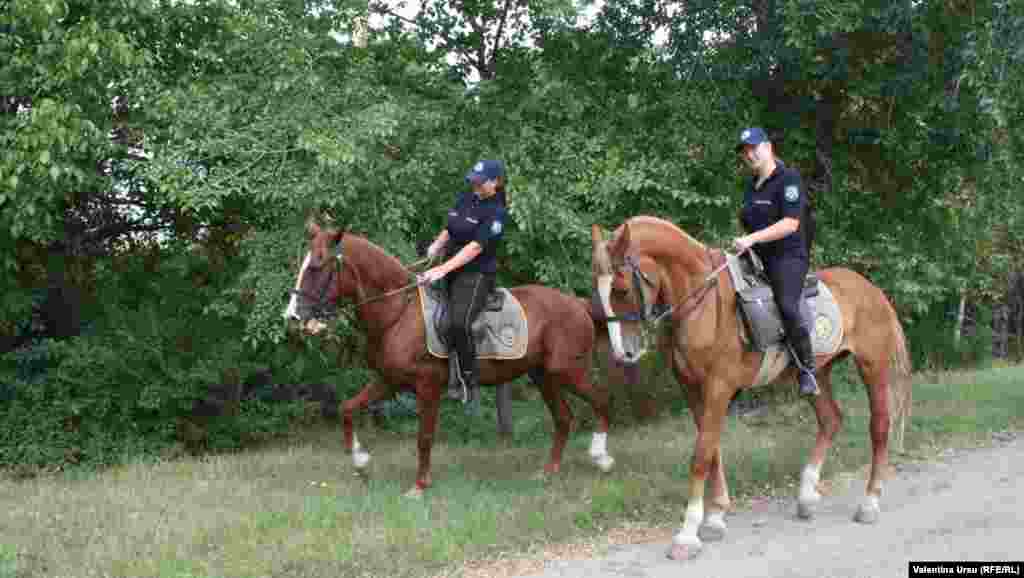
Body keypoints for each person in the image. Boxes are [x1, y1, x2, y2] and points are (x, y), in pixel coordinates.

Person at [732, 127, 819, 397]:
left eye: (754, 148)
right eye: (745, 151)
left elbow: (791, 224)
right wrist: (743, 244)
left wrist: (752, 239)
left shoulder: (788, 179)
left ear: (768, 147)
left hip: (788, 257)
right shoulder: (751, 186)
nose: (750, 155)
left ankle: (807, 369)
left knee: (787, 305)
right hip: (757, 258)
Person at [419, 159, 509, 405]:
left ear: (495, 182)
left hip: (476, 274)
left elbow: (475, 247)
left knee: (458, 323)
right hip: (449, 268)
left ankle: (469, 377)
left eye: (481, 182)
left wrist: (442, 269)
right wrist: (435, 247)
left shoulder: (497, 213)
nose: (475, 185)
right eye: (474, 181)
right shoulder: (465, 197)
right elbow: (450, 228)